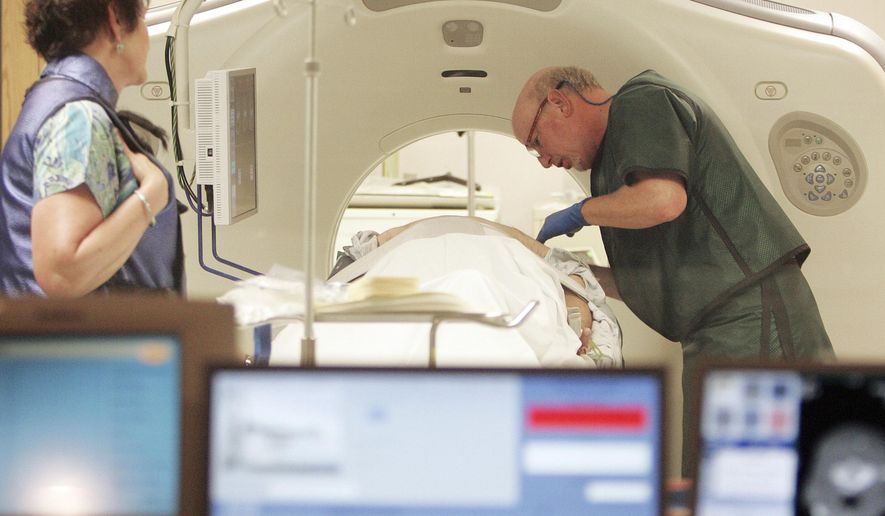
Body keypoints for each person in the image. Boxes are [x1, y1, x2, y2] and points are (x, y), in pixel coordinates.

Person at [511, 66, 835, 474]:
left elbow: (664, 201)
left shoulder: (641, 100)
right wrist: (575, 273)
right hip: (714, 328)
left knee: (748, 477)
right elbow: (652, 283)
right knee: (712, 474)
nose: (543, 161)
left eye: (536, 141)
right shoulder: (614, 169)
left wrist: (581, 213)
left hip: (752, 315)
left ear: (559, 101)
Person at [0, 0, 183, 297]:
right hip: (78, 342)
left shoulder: (60, 100)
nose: (148, 38)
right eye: (143, 19)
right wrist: (152, 193)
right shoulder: (77, 117)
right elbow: (62, 275)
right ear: (117, 21)